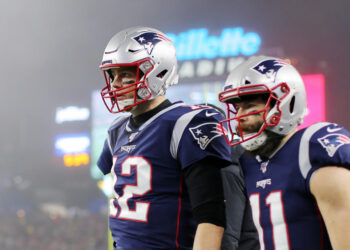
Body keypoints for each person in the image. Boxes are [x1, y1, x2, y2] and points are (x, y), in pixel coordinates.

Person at [96, 26, 232, 249]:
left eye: (126, 74)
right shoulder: (116, 131)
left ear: (159, 72)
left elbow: (212, 215)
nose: (115, 84)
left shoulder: (186, 123)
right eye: (112, 75)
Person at [217, 56, 350, 250]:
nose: (239, 118)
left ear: (287, 104)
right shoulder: (250, 164)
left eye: (250, 107)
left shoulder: (312, 150)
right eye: (237, 109)